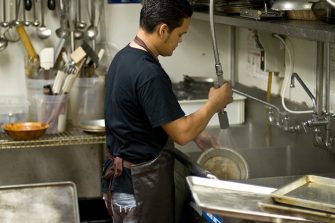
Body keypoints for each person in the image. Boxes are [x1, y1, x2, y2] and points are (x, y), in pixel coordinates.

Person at [102, 0, 233, 222]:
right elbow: (181, 134)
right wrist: (214, 103)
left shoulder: (124, 58)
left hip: (121, 185)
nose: (180, 41)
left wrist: (197, 133)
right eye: (180, 34)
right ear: (163, 30)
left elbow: (144, 117)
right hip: (139, 189)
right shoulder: (149, 73)